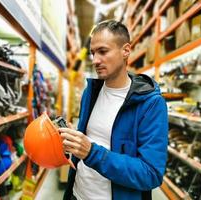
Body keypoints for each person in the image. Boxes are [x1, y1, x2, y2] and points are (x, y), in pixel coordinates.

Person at [59, 20, 168, 200]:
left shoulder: (150, 104)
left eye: (103, 51)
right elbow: (91, 139)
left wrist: (91, 152)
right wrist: (74, 140)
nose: (95, 60)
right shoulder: (91, 91)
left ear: (126, 50)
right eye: (93, 53)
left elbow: (151, 174)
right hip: (77, 194)